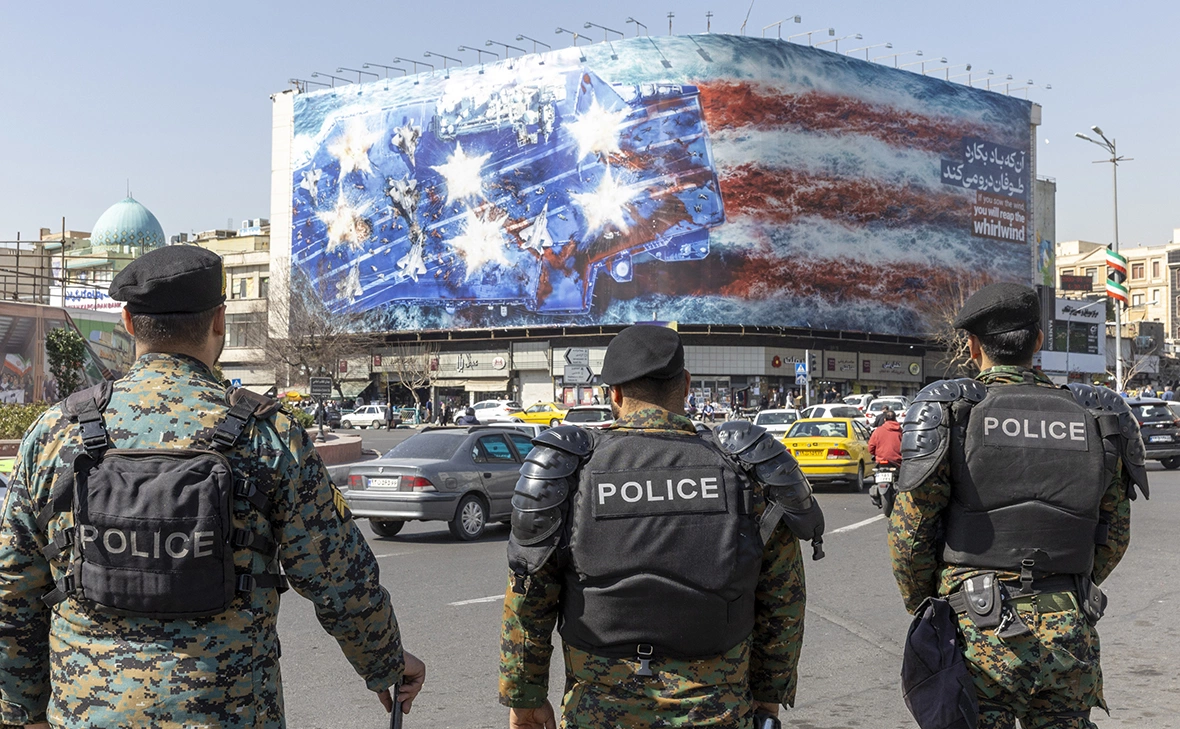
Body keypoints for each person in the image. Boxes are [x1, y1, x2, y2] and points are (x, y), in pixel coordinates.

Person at [0, 247, 425, 729]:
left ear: (128, 322)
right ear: (219, 321)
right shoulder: (269, 436)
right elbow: (339, 576)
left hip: (86, 714)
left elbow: (12, 587)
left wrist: (23, 711)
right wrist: (385, 663)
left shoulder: (57, 433)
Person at [499, 325, 825, 729]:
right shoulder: (745, 473)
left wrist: (525, 699)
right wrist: (768, 697)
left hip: (598, 714)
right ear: (685, 385)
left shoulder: (571, 474)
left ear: (615, 393)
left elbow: (528, 595)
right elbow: (783, 600)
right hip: (718, 712)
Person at [889, 282, 1146, 729]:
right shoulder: (1097, 416)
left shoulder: (951, 414)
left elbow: (910, 538)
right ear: (1038, 342)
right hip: (1069, 631)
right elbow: (1114, 536)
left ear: (974, 346)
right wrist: (1064, 586)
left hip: (979, 631)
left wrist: (935, 603)